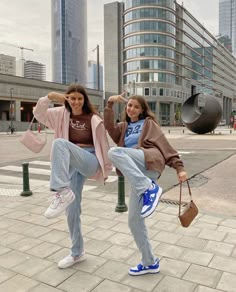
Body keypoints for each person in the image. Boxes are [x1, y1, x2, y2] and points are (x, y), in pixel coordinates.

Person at [104, 94, 188, 276]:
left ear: (142, 110)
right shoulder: (124, 127)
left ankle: (149, 188)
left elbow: (166, 146)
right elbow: (109, 127)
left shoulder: (149, 124)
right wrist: (110, 104)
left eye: (135, 106)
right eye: (129, 106)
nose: (131, 109)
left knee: (114, 152)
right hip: (137, 175)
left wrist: (179, 167)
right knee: (134, 220)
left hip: (148, 161)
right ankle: (150, 262)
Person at [33, 84, 112, 269]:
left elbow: (104, 145)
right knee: (72, 210)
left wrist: (106, 170)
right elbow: (39, 114)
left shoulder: (93, 119)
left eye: (79, 98)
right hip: (71, 164)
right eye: (72, 98)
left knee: (60, 143)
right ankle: (77, 253)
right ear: (66, 98)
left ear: (84, 100)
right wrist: (49, 97)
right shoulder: (61, 114)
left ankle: (60, 190)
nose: (76, 102)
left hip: (89, 159)